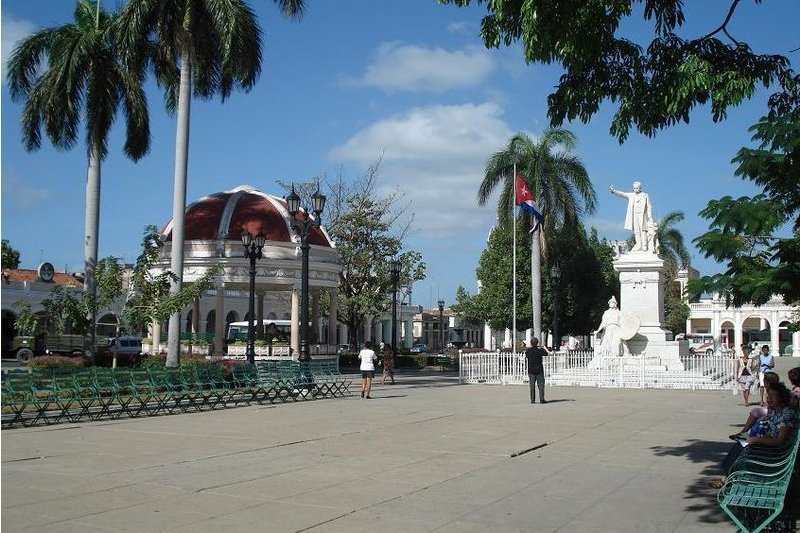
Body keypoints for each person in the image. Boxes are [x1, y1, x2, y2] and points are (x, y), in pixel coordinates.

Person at [710, 381, 797, 488]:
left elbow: (779, 441)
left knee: (742, 446)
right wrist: (756, 438)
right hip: (772, 446)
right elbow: (772, 433)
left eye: (772, 396)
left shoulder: (786, 414)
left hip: (778, 451)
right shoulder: (776, 412)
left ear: (782, 397)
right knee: (741, 443)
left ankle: (725, 478)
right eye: (768, 396)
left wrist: (756, 440)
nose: (769, 399)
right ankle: (725, 477)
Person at [609, 181, 655, 252]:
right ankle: (639, 245)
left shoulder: (645, 195)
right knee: (636, 231)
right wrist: (613, 191)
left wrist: (650, 216)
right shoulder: (631, 195)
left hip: (643, 215)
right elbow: (622, 194)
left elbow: (649, 206)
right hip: (634, 215)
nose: (635, 189)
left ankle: (644, 246)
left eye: (637, 188)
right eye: (634, 188)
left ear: (640, 188)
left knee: (643, 231)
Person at [524, 337, 550, 404]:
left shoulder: (528, 351)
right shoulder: (540, 350)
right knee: (541, 385)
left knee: (532, 386)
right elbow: (548, 353)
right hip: (539, 370)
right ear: (537, 343)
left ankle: (532, 400)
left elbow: (527, 356)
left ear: (531, 343)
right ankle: (542, 399)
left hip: (531, 370)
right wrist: (543, 347)